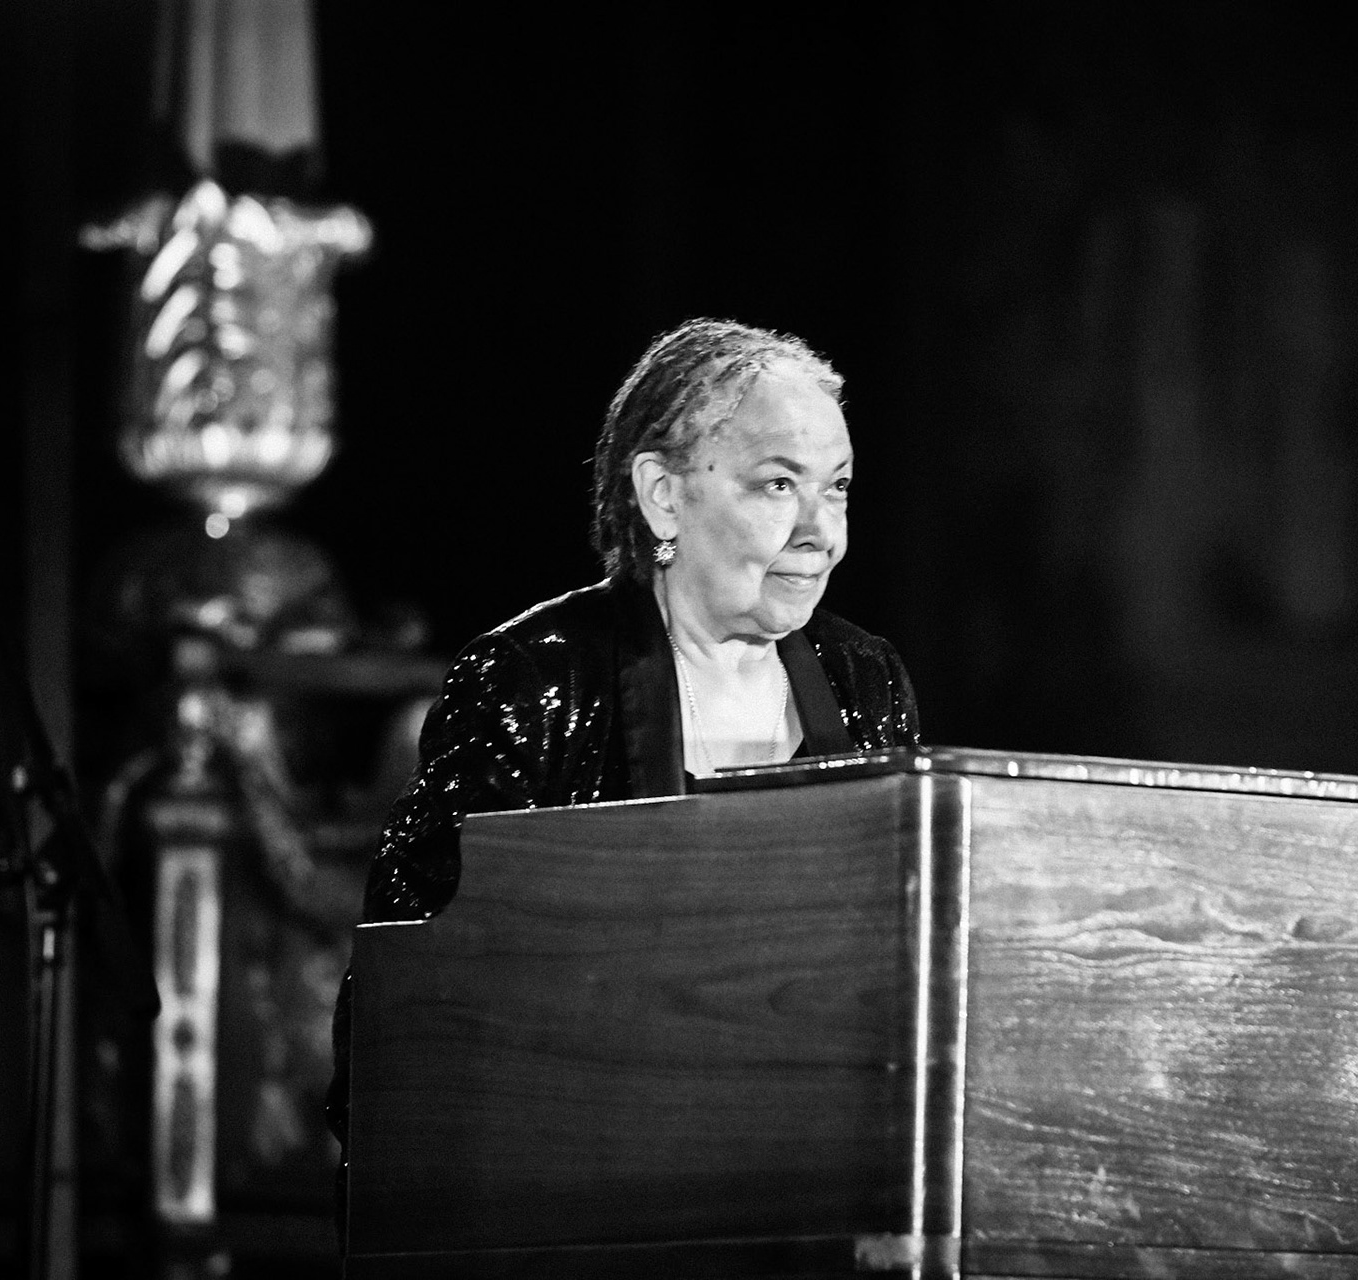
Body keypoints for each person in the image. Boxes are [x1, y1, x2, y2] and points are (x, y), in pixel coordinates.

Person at [325, 318, 921, 1234]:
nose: (821, 534)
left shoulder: (865, 678)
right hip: (574, 1203)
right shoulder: (531, 679)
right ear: (662, 497)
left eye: (836, 490)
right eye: (777, 486)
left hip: (814, 1194)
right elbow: (409, 1006)